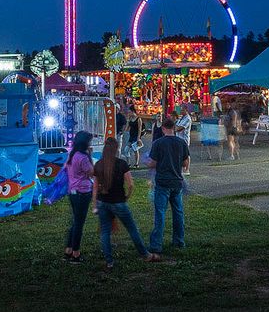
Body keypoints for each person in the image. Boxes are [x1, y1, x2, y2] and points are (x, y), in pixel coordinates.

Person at [93, 136, 159, 270]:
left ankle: (109, 261)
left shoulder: (99, 164)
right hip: (118, 202)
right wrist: (126, 197)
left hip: (103, 202)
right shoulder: (122, 164)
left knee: (105, 232)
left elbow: (94, 188)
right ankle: (145, 255)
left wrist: (95, 204)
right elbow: (131, 185)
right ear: (116, 149)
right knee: (132, 228)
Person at [147, 115, 189, 253]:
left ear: (163, 128)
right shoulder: (181, 143)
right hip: (177, 181)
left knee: (160, 213)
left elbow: (153, 163)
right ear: (174, 128)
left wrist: (147, 163)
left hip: (162, 182)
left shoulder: (158, 143)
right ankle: (179, 240)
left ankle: (156, 244)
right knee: (178, 213)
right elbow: (185, 163)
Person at [62, 132, 95, 264]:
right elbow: (92, 172)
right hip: (83, 192)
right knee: (79, 225)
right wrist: (90, 155)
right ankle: (76, 253)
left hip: (73, 191)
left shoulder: (72, 154)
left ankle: (68, 250)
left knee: (75, 222)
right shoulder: (83, 158)